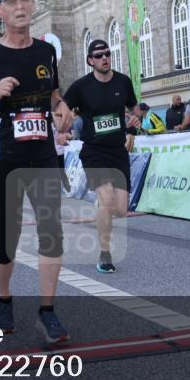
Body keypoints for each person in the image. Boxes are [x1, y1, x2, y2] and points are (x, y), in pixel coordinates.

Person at [0, 0, 73, 343]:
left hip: (42, 151)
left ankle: (48, 312)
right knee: (7, 238)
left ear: (33, 6)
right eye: (13, 3)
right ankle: (4, 297)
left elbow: (53, 94)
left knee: (51, 231)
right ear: (1, 13)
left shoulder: (45, 52)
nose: (21, 7)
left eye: (26, 0)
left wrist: (61, 107)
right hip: (4, 153)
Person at [62, 39, 142, 274]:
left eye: (107, 54)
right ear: (90, 61)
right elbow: (62, 109)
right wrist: (61, 129)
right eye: (99, 55)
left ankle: (103, 211)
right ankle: (105, 254)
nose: (104, 58)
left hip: (117, 151)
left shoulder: (123, 82)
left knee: (120, 209)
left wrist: (136, 121)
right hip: (94, 151)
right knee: (106, 200)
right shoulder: (81, 87)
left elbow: (135, 109)